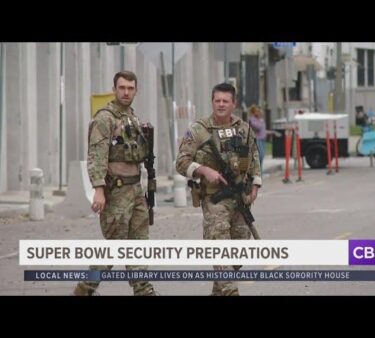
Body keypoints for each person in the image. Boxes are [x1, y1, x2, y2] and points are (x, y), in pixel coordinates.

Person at [73, 70, 157, 296]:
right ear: (114, 89)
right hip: (116, 192)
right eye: (122, 88)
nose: (126, 92)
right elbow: (96, 155)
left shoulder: (132, 117)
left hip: (136, 190)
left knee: (138, 244)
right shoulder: (104, 118)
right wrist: (98, 190)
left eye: (130, 88)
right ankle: (84, 288)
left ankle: (143, 290)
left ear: (136, 90)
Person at [176, 83, 262, 296]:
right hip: (214, 199)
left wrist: (256, 185)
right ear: (212, 102)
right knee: (221, 253)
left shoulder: (244, 128)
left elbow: (254, 156)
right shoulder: (198, 129)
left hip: (240, 199)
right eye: (217, 101)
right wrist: (203, 170)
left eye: (225, 101)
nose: (221, 104)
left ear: (233, 103)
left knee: (238, 256)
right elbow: (181, 162)